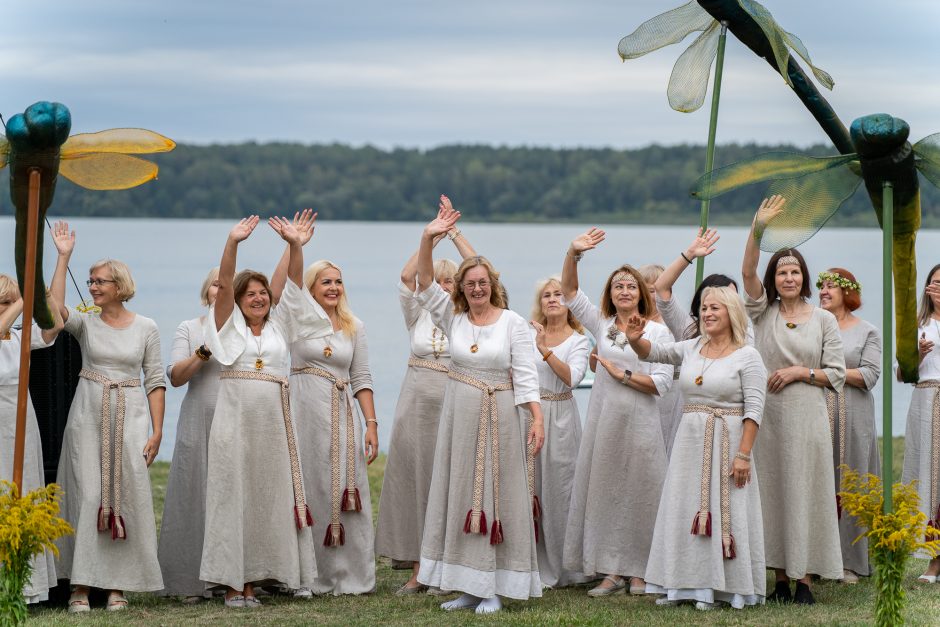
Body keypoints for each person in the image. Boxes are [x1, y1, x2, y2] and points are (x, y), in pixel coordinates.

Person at [414, 204, 545, 614]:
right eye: (469, 283)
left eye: (482, 282)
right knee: (461, 493)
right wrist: (429, 236)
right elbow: (422, 282)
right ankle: (467, 585)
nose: (476, 289)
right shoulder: (452, 319)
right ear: (461, 289)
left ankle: (493, 587)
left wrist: (536, 418)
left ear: (492, 285)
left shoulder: (513, 323)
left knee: (497, 494)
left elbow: (525, 375)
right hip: (459, 418)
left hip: (502, 416)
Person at [200, 215, 332, 608]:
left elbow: (287, 283)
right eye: (249, 294)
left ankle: (254, 581)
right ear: (237, 300)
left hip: (273, 425)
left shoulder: (278, 326)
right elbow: (224, 283)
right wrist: (232, 243)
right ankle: (230, 584)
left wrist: (294, 245)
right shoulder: (227, 326)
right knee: (232, 497)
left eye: (262, 293)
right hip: (234, 422)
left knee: (264, 498)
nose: (258, 298)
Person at [49, 221, 166, 612]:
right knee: (88, 495)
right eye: (91, 281)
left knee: (126, 496)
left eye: (101, 281)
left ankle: (117, 585)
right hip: (88, 415)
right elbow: (53, 312)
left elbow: (155, 380)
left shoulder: (147, 327)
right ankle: (79, 586)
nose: (95, 287)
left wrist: (157, 430)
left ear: (120, 286)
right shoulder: (86, 323)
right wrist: (63, 257)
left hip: (130, 415)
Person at [631, 286, 767, 610]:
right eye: (704, 308)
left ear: (731, 312)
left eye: (714, 308)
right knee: (684, 507)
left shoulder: (748, 355)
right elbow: (654, 354)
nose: (706, 313)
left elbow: (755, 409)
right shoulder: (693, 347)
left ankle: (724, 588)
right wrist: (635, 338)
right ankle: (682, 585)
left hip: (729, 439)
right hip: (690, 441)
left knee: (727, 510)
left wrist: (743, 455)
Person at [267, 213, 379, 597]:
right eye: (325, 282)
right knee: (307, 486)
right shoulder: (296, 319)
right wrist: (295, 246)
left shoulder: (354, 326)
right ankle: (304, 576)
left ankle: (351, 575)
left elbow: (362, 378)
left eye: (337, 281)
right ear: (311, 287)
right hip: (302, 411)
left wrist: (372, 424)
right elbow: (285, 287)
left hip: (342, 414)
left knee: (348, 489)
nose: (333, 287)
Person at [741, 195, 846, 604]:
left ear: (804, 277)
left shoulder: (824, 319)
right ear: (775, 277)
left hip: (807, 414)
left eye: (795, 271)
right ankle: (780, 578)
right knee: (773, 491)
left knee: (805, 491)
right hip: (769, 416)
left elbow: (836, 373)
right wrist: (758, 227)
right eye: (782, 272)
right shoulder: (761, 312)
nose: (789, 278)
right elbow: (746, 270)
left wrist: (801, 372)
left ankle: (805, 581)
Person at [560, 228, 674, 597]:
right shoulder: (603, 325)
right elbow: (570, 294)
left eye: (631, 286)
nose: (624, 291)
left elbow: (661, 383)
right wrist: (572, 253)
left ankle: (641, 571)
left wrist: (621, 374)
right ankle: (611, 570)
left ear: (642, 293)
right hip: (605, 419)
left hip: (642, 421)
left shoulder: (658, 332)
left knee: (642, 490)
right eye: (618, 286)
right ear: (610, 294)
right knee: (607, 490)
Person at [376, 195, 478, 595]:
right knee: (417, 478)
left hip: (455, 396)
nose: (446, 286)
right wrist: (431, 236)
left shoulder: (470, 320)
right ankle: (420, 566)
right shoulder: (417, 312)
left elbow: (484, 271)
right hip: (417, 398)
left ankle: (451, 564)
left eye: (453, 281)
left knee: (452, 478)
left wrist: (455, 234)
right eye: (440, 280)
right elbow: (408, 278)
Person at [652, 228, 755, 458]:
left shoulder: (746, 335)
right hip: (690, 419)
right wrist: (689, 254)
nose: (727, 303)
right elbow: (661, 289)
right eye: (717, 299)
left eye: (732, 298)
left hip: (731, 424)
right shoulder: (688, 328)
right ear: (703, 300)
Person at [157, 268, 222, 602]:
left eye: (229, 285)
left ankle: (231, 577)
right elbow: (176, 377)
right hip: (199, 416)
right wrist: (205, 348)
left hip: (234, 419)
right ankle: (189, 578)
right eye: (216, 284)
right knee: (193, 491)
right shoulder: (189, 328)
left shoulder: (250, 330)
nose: (221, 289)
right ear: (205, 291)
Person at [0, 274, 64, 605]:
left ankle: (25, 585)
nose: (12, 310)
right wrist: (25, 296)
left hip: (22, 422)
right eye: (5, 303)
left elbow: (54, 323)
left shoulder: (22, 338)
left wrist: (51, 272)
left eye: (11, 302)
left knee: (24, 492)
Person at [817, 268, 881, 584]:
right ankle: (816, 559)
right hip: (818, 410)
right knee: (818, 480)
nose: (823, 291)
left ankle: (852, 562)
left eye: (830, 286)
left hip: (853, 413)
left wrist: (826, 372)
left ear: (847, 292)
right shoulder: (813, 326)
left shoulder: (867, 331)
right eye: (821, 286)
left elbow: (869, 375)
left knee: (852, 481)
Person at [528, 277, 591, 588]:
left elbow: (572, 379)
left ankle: (564, 565)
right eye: (546, 295)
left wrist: (545, 351)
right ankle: (530, 562)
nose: (552, 299)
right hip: (530, 416)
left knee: (560, 489)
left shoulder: (578, 340)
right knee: (531, 489)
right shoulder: (528, 334)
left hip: (562, 418)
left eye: (558, 294)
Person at [902, 262, 940, 583]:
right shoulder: (918, 325)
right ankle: (932, 557)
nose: (938, 288)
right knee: (928, 475)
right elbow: (903, 375)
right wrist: (918, 355)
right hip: (926, 399)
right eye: (935, 283)